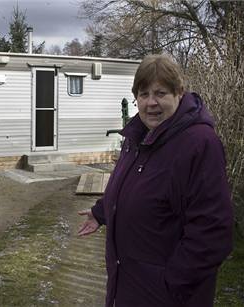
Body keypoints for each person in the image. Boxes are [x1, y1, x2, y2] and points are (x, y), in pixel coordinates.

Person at [78, 54, 233, 307]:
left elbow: (213, 232)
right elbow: (132, 186)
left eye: (160, 93)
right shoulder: (138, 136)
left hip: (166, 296)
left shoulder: (199, 144)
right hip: (127, 287)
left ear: (179, 93)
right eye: (144, 94)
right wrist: (101, 211)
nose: (151, 103)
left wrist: (171, 285)